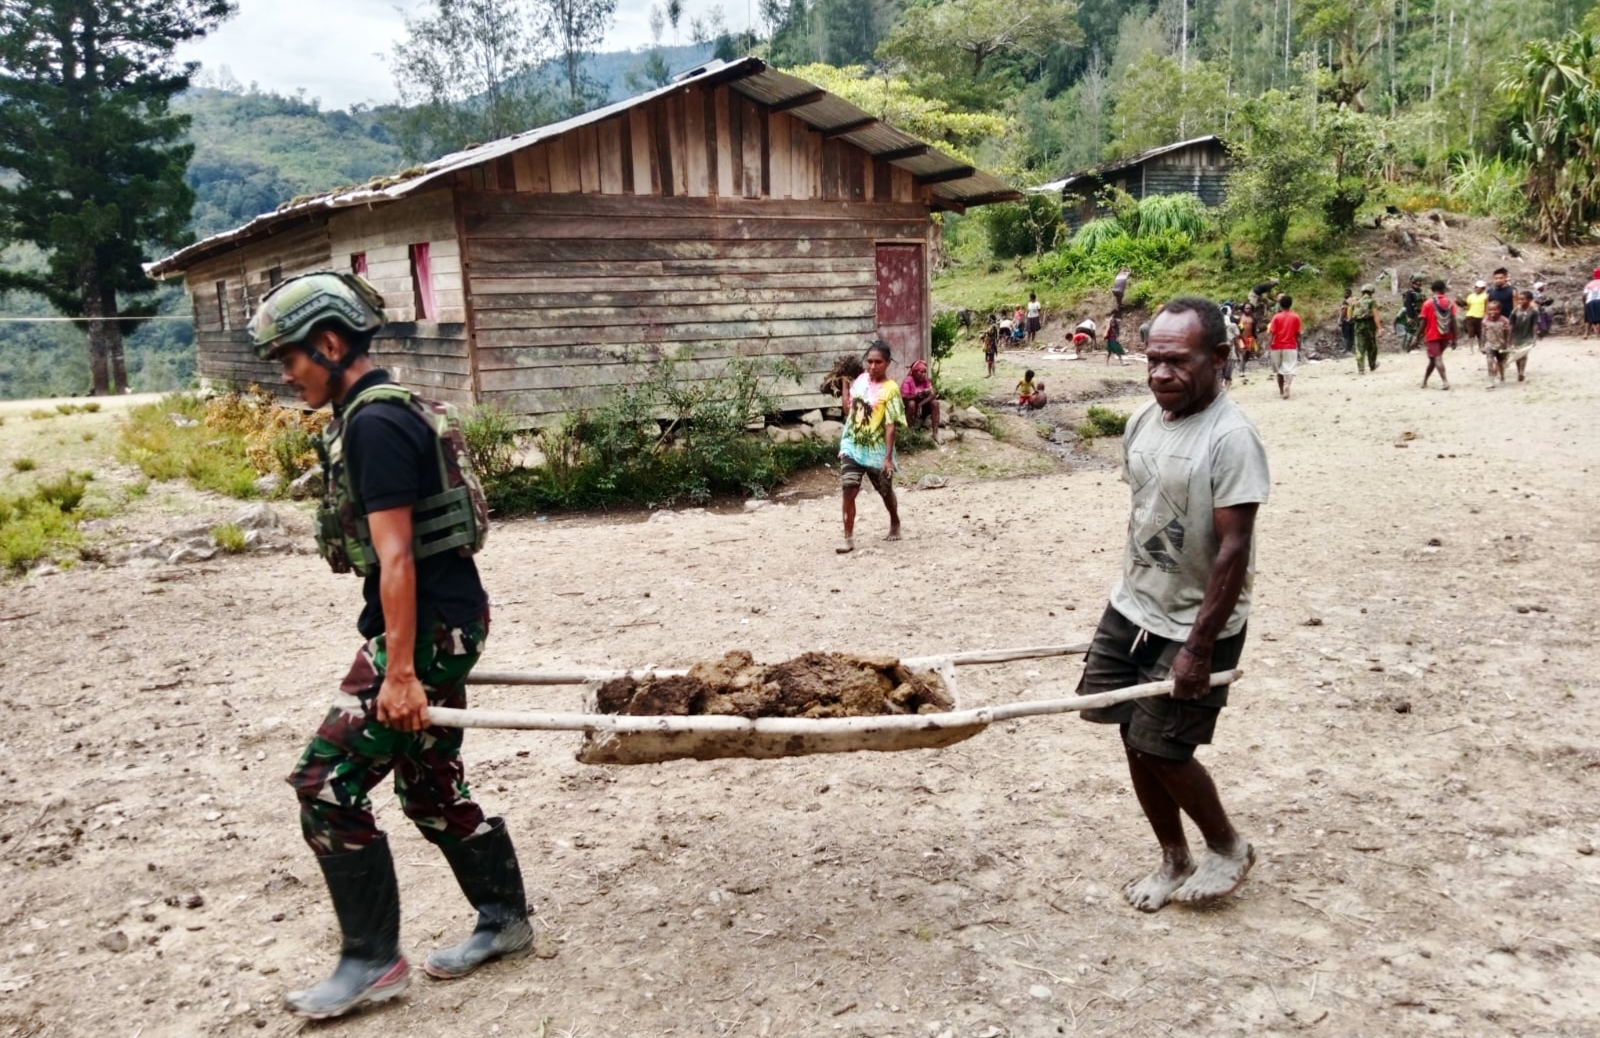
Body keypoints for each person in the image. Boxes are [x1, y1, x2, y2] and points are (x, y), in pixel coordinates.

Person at [248, 272, 533, 1021]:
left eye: (289, 358)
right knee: (429, 785)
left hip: (427, 634)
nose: (286, 375)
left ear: (330, 343)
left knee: (325, 784)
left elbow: (397, 557)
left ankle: (372, 960)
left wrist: (399, 671)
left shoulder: (373, 425)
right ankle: (505, 921)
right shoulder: (384, 410)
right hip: (446, 623)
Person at [1075, 296, 1268, 914]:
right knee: (1130, 735)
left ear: (1219, 357)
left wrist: (1198, 647)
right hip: (1132, 607)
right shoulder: (1142, 421)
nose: (1161, 373)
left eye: (1178, 361)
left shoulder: (1231, 439)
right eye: (1153, 360)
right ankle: (1173, 857)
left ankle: (1227, 845)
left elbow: (1233, 549)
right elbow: (1146, 512)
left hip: (1196, 623)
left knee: (1162, 745)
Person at [838, 340, 903, 554]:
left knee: (885, 490)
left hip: (876, 450)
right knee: (849, 489)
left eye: (878, 362)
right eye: (870, 361)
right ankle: (848, 538)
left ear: (887, 363)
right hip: (853, 445)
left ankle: (894, 520)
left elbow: (890, 425)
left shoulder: (891, 389)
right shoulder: (860, 380)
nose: (873, 366)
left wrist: (888, 458)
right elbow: (848, 411)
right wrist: (845, 384)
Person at [1420, 278, 1457, 390]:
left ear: (1432, 290)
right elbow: (1454, 321)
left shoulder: (1427, 303)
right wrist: (1455, 338)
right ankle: (1424, 381)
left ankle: (1445, 382)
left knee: (1437, 358)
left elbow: (1423, 322)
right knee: (1434, 359)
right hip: (1445, 335)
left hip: (1432, 335)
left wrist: (1416, 337)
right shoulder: (1450, 303)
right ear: (1443, 290)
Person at [1266, 294, 1302, 400]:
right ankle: (1287, 385)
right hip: (1290, 346)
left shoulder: (1276, 317)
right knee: (1289, 368)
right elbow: (1298, 334)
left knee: (1279, 371)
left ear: (1280, 305)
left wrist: (1268, 346)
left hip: (1276, 346)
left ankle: (1281, 391)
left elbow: (1271, 333)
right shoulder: (1295, 317)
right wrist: (1299, 346)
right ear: (1291, 304)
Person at [899, 358, 940, 442]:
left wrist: (920, 404)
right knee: (912, 403)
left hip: (922, 406)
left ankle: (935, 434)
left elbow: (932, 394)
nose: (924, 374)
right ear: (914, 372)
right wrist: (917, 396)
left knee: (935, 403)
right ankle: (909, 431)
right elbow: (904, 397)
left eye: (925, 372)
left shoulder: (925, 380)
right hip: (909, 408)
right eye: (921, 372)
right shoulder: (907, 381)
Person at [1507, 290, 1539, 382]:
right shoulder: (1515, 311)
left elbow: (1534, 325)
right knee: (1518, 355)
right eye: (1519, 299)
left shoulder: (1533, 312)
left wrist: (1534, 337)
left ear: (1529, 300)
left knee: (1524, 354)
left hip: (1527, 336)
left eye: (1522, 299)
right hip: (1516, 336)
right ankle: (1519, 372)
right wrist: (1509, 338)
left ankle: (1522, 372)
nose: (1520, 301)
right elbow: (1511, 325)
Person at [1481, 299, 1513, 387]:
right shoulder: (1485, 320)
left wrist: (1508, 345)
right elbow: (1483, 333)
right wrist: (1482, 345)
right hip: (1489, 344)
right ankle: (1491, 380)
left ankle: (1502, 377)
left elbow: (1508, 334)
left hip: (1501, 345)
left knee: (1500, 362)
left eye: (1495, 309)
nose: (1492, 312)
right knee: (1489, 361)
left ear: (1499, 310)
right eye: (1490, 309)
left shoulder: (1504, 321)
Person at [1352, 284, 1380, 375]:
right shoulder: (1372, 301)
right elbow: (1376, 315)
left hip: (1358, 326)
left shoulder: (1357, 302)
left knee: (1359, 348)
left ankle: (1361, 369)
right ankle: (1372, 365)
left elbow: (1351, 316)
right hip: (1369, 325)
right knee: (1371, 347)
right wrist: (1379, 327)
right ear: (1371, 292)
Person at [1400, 275, 1426, 352]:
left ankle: (1414, 346)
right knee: (1410, 331)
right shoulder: (1409, 292)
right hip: (1413, 315)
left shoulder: (1420, 292)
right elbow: (1408, 305)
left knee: (1420, 331)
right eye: (1417, 283)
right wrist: (1410, 316)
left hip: (1420, 314)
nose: (1418, 284)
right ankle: (1406, 348)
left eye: (1420, 283)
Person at [1463, 280, 1488, 350]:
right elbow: (1468, 306)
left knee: (1480, 333)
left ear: (1483, 288)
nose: (1478, 289)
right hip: (1470, 316)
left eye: (1480, 288)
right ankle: (1471, 349)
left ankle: (1481, 347)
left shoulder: (1485, 296)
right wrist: (1464, 306)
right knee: (1471, 333)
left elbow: (1486, 307)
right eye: (1477, 287)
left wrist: (1486, 316)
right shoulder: (1470, 296)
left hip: (1480, 316)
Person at [1236, 303, 1258, 374]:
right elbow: (1237, 328)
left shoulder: (1253, 318)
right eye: (1246, 308)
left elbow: (1254, 329)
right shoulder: (1240, 318)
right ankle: (1241, 371)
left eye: (1249, 308)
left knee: (1248, 354)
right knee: (1243, 353)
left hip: (1250, 338)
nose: (1248, 310)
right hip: (1241, 338)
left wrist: (1255, 337)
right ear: (1243, 309)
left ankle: (1242, 367)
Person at [1338, 289, 1356, 355]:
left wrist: (1340, 320)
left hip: (1346, 321)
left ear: (1348, 294)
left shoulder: (1346, 301)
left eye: (1345, 293)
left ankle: (1347, 350)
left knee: (1346, 336)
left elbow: (1344, 311)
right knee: (1352, 335)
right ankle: (1349, 349)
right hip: (1354, 321)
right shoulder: (1354, 300)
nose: (1344, 294)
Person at [1584, 268, 1600, 338]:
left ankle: (1586, 334)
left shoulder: (1589, 284)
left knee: (1588, 319)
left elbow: (1584, 295)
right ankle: (1598, 334)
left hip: (1589, 301)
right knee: (1599, 319)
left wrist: (1585, 304)